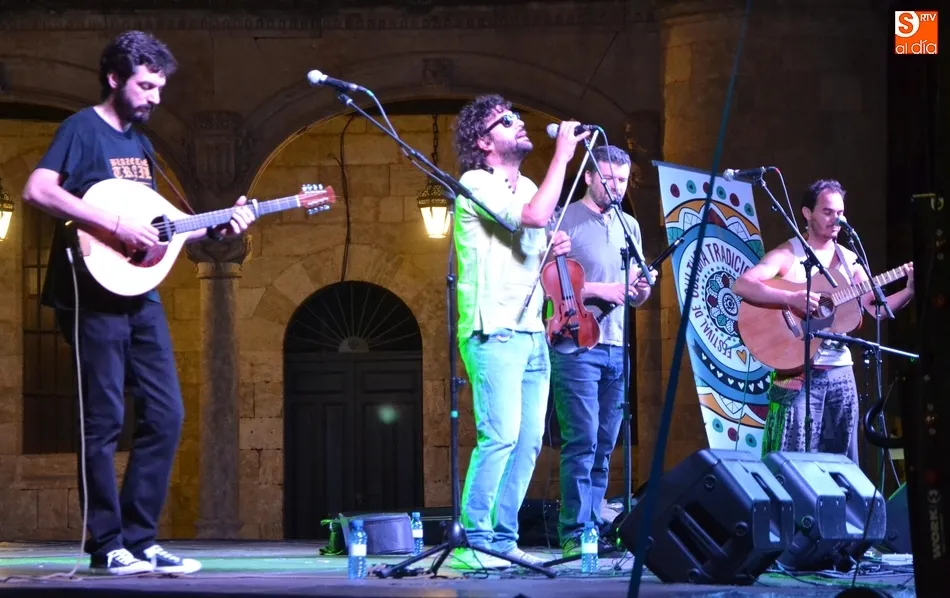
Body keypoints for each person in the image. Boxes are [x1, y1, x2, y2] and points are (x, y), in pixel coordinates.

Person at [21, 31, 257, 576]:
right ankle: (107, 545)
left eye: (160, 87)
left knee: (168, 412)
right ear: (115, 79)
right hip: (89, 293)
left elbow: (163, 229)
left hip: (136, 294)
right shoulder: (82, 129)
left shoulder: (141, 146)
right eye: (146, 85)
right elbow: (38, 189)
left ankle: (141, 539)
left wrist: (219, 224)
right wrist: (112, 222)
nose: (155, 96)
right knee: (102, 420)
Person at [450, 95, 589, 570]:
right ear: (484, 142)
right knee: (500, 436)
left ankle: (503, 538)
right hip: (494, 330)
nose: (520, 124)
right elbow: (529, 218)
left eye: (518, 116)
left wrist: (555, 250)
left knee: (529, 440)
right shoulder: (474, 181)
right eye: (506, 121)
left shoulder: (529, 183)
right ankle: (475, 540)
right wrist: (564, 156)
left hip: (530, 331)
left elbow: (535, 247)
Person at [733, 179, 914, 463]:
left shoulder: (850, 259)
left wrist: (908, 290)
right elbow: (743, 285)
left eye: (840, 212)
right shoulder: (788, 254)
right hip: (798, 373)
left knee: (841, 459)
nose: (837, 219)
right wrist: (790, 300)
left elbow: (877, 310)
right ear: (807, 214)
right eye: (828, 212)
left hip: (840, 372)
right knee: (791, 459)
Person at [549, 145, 656, 558]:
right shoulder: (565, 219)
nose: (615, 186)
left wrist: (641, 289)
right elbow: (551, 280)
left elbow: (636, 292)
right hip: (575, 342)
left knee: (607, 442)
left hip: (615, 343)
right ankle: (574, 531)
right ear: (590, 176)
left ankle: (592, 524)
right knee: (583, 440)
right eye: (608, 178)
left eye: (622, 181)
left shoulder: (629, 224)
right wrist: (600, 289)